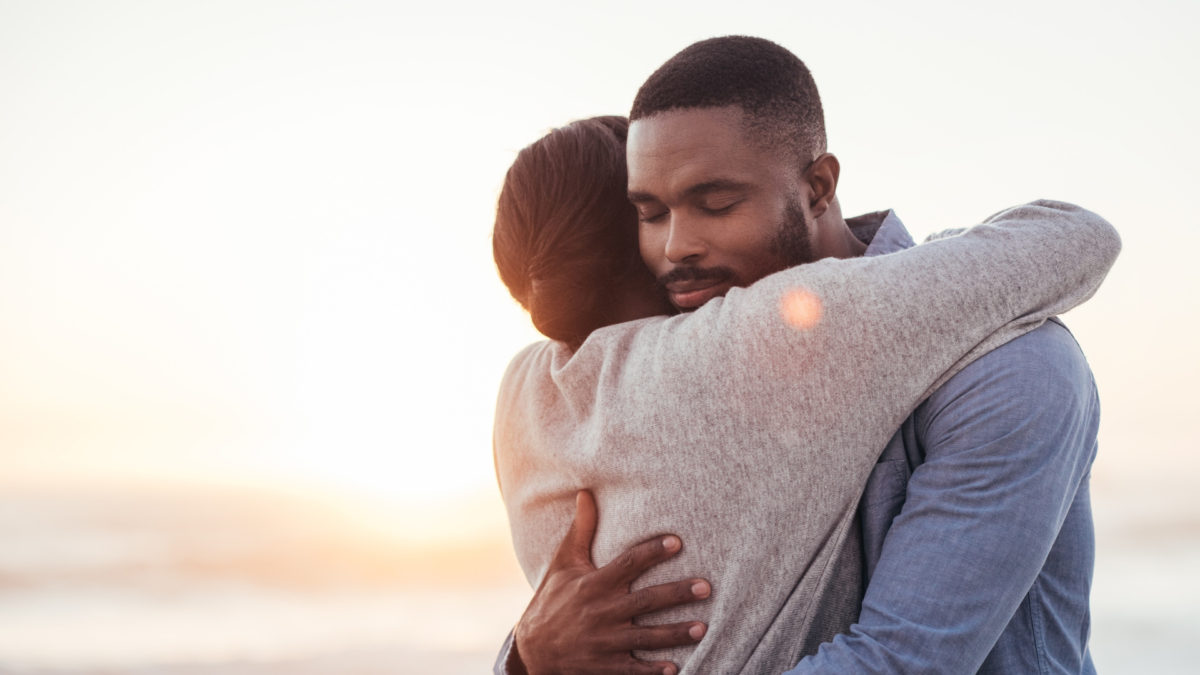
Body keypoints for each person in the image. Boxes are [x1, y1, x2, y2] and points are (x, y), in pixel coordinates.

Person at [498, 37, 1109, 674]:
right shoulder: (687, 373)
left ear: (818, 187)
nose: (677, 247)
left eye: (716, 203)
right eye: (650, 214)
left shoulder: (1009, 364)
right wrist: (530, 651)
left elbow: (899, 660)